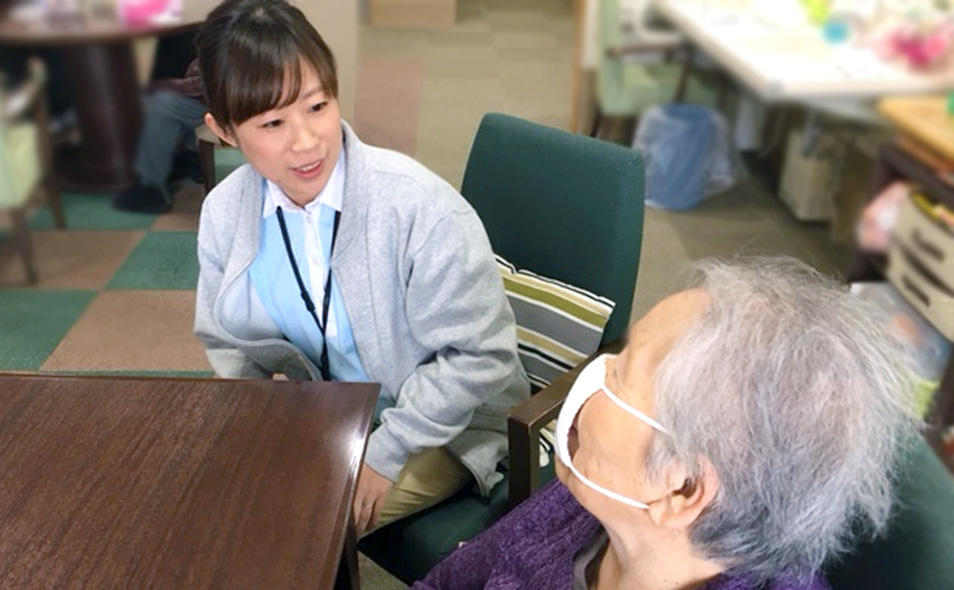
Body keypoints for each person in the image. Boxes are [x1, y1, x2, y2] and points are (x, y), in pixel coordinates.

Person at [191, 0, 529, 536]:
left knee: (295, 531)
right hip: (332, 410)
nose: (306, 142)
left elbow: (482, 355)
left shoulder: (418, 207)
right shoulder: (226, 213)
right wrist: (249, 426)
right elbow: (228, 343)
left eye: (318, 106)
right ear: (225, 131)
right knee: (210, 501)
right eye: (273, 121)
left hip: (445, 424)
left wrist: (383, 453)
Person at [415, 257, 920, 590]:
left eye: (622, 372)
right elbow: (453, 580)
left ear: (683, 489)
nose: (594, 375)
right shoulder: (591, 501)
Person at [112, 55, 207, 213]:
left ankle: (150, 189)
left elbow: (203, 85)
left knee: (164, 105)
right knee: (163, 101)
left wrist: (163, 86)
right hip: (216, 94)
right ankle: (190, 158)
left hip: (229, 103)